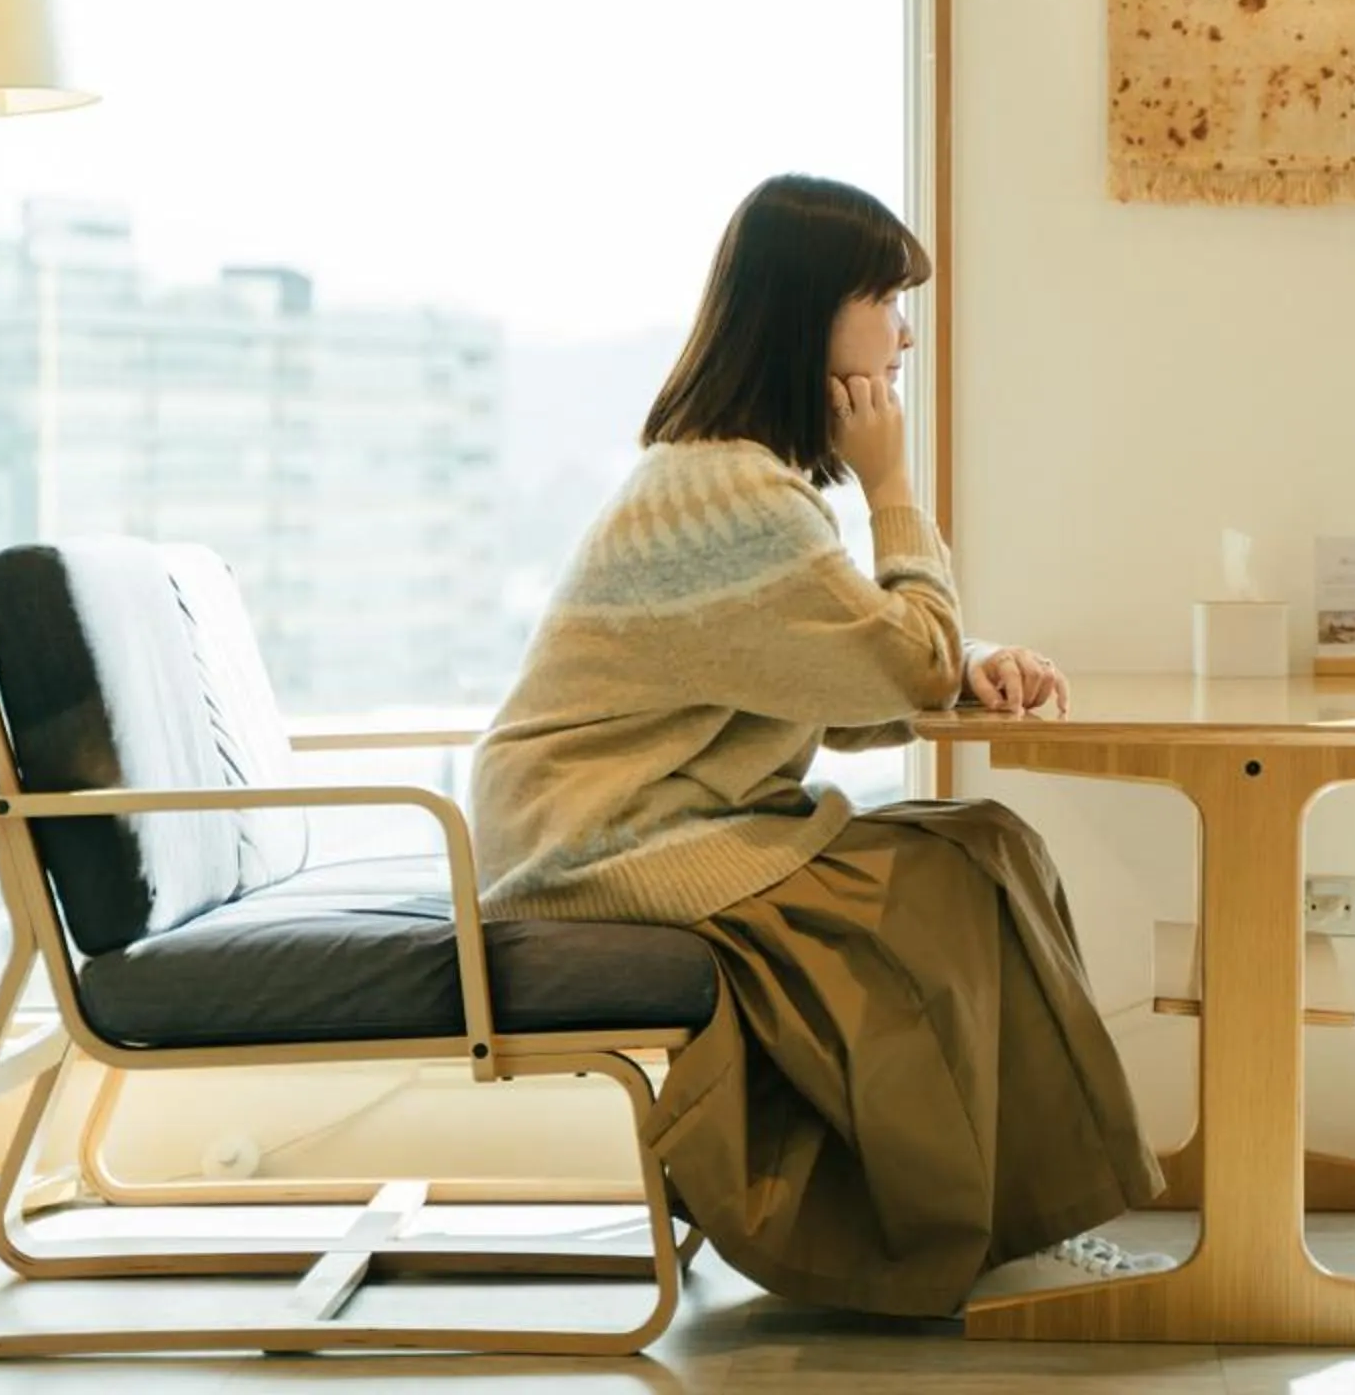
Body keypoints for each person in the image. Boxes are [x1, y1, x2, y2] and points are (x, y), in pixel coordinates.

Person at [466, 173, 1164, 1316]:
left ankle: (1007, 1222)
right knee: (950, 876)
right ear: (809, 311)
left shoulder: (736, 476)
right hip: (603, 847)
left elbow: (840, 679)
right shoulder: (732, 492)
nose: (902, 330)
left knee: (979, 846)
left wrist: (965, 661)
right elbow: (897, 664)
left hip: (632, 822)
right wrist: (894, 489)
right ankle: (940, 1229)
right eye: (883, 295)